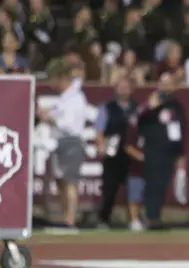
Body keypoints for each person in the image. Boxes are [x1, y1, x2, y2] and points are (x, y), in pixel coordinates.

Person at [126, 72, 188, 229]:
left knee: (162, 185)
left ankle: (156, 216)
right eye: (163, 83)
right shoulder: (152, 102)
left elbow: (181, 130)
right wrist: (151, 107)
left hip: (170, 152)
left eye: (169, 83)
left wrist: (181, 153)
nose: (166, 86)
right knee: (153, 184)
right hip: (153, 150)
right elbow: (139, 120)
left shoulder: (176, 106)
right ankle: (151, 218)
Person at [37, 58, 88, 229]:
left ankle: (71, 220)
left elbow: (69, 124)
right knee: (60, 182)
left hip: (71, 142)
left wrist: (50, 119)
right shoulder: (63, 99)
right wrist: (47, 114)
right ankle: (66, 217)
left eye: (53, 79)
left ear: (61, 78)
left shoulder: (76, 97)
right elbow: (57, 112)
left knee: (70, 181)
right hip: (58, 142)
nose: (51, 83)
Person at [95, 77, 138, 230]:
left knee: (134, 188)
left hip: (132, 154)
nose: (123, 90)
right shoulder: (107, 108)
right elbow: (99, 130)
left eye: (126, 87)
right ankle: (104, 219)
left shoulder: (137, 108)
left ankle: (134, 219)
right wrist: (101, 145)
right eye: (120, 87)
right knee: (109, 188)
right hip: (112, 152)